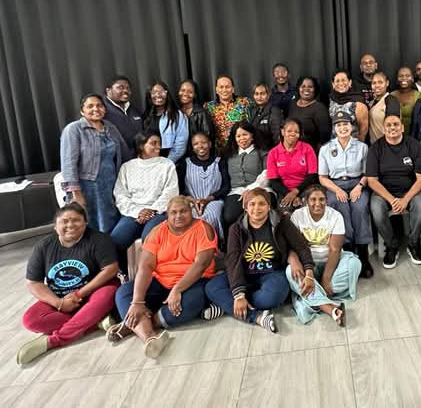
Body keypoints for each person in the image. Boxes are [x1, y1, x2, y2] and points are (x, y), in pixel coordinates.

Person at [110, 196, 217, 358]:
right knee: (124, 293)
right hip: (160, 281)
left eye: (183, 211)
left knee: (191, 303)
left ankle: (135, 325)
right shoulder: (157, 231)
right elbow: (145, 267)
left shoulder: (204, 228)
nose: (178, 216)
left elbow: (201, 265)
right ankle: (150, 338)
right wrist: (137, 301)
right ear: (167, 214)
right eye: (173, 212)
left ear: (191, 211)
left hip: (193, 281)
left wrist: (177, 289)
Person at [16, 203, 119, 365]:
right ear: (55, 226)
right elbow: (33, 282)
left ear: (85, 223)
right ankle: (95, 321)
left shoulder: (99, 239)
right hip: (61, 297)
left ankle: (54, 341)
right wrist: (59, 303)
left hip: (93, 293)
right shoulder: (43, 246)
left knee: (108, 293)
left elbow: (110, 269)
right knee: (31, 320)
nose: (70, 225)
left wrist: (79, 294)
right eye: (64, 221)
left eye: (76, 220)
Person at [203, 188, 313, 333]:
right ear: (245, 207)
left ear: (269, 206)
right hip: (244, 273)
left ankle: (227, 305)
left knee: (273, 296)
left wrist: (309, 272)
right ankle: (256, 317)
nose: (256, 208)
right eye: (252, 204)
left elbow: (301, 246)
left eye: (262, 204)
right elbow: (233, 260)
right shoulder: (236, 228)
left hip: (272, 272)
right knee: (212, 287)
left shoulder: (282, 222)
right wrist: (239, 295)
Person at [287, 186, 362, 325]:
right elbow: (293, 246)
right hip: (308, 266)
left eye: (321, 199)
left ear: (326, 201)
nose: (318, 203)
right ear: (306, 201)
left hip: (332, 263)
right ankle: (330, 308)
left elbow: (335, 249)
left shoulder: (335, 216)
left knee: (354, 264)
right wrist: (297, 264)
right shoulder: (297, 216)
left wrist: (326, 279)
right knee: (289, 272)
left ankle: (313, 296)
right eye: (313, 199)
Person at [60, 93, 130, 233]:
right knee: (88, 226)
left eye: (99, 105)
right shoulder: (74, 129)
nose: (95, 109)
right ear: (82, 111)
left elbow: (125, 153)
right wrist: (76, 194)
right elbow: (68, 164)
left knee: (110, 225)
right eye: (90, 106)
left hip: (111, 185)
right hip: (87, 188)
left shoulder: (110, 127)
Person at [366, 114, 421, 269]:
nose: (392, 127)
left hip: (410, 191)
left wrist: (405, 200)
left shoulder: (413, 145)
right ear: (383, 129)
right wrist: (392, 200)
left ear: (402, 127)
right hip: (383, 193)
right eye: (388, 125)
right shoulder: (376, 148)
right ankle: (391, 245)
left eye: (395, 124)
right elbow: (372, 180)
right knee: (376, 209)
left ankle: (413, 243)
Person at [111, 131, 179, 270]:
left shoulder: (167, 164)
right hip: (133, 213)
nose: (158, 147)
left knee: (149, 240)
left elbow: (171, 192)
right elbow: (120, 193)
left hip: (159, 212)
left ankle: (154, 275)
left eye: (159, 143)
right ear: (142, 146)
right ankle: (123, 274)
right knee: (116, 240)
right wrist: (138, 212)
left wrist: (152, 210)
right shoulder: (127, 167)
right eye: (153, 143)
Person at [318, 112, 374, 277]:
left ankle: (363, 253)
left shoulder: (362, 147)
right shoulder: (326, 149)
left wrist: (360, 186)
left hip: (358, 183)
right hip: (335, 185)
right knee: (339, 206)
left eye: (346, 124)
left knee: (360, 207)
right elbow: (322, 177)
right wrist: (337, 190)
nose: (342, 128)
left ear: (352, 126)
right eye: (338, 125)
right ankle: (348, 250)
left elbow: (368, 173)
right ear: (334, 128)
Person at [177, 131, 230, 240]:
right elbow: (180, 189)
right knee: (189, 215)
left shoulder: (219, 162)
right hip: (191, 201)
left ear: (210, 144)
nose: (200, 146)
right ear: (192, 147)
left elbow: (226, 187)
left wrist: (208, 199)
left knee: (211, 215)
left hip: (214, 200)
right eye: (196, 144)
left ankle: (210, 244)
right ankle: (190, 245)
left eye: (203, 142)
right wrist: (193, 200)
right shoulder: (185, 163)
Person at [223, 121, 272, 228]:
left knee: (261, 213)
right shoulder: (229, 155)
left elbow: (267, 172)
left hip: (261, 188)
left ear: (252, 136)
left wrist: (251, 189)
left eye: (245, 134)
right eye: (238, 136)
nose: (242, 138)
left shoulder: (262, 152)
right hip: (237, 191)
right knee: (230, 216)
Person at [267, 119, 319, 212]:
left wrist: (295, 192)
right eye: (289, 131)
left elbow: (312, 175)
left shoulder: (307, 148)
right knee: (285, 212)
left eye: (296, 132)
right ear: (283, 132)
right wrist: (290, 194)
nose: (293, 134)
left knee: (306, 210)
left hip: (306, 189)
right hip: (284, 191)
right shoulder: (273, 153)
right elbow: (274, 181)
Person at [143, 81, 189, 163]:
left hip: (171, 160)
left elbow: (181, 143)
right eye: (154, 92)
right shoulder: (146, 115)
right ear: (149, 95)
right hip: (150, 161)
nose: (158, 95)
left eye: (161, 92)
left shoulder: (177, 115)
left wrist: (167, 162)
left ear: (167, 94)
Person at [204, 75, 252, 154]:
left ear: (233, 89)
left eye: (227, 87)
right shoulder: (208, 107)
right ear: (216, 90)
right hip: (219, 152)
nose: (224, 90)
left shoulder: (244, 102)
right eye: (221, 87)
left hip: (241, 149)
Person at [288, 76, 332, 151]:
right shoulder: (293, 104)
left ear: (315, 89)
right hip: (292, 149)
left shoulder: (319, 108)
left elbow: (325, 136)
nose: (306, 89)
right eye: (303, 86)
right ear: (298, 88)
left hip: (310, 151)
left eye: (310, 87)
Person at [103, 75, 143, 150]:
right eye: (120, 87)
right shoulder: (102, 111)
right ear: (108, 91)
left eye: (128, 88)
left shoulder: (135, 110)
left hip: (138, 156)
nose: (125, 91)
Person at [329, 70, 369, 141]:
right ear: (333, 84)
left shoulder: (358, 102)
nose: (341, 83)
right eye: (337, 81)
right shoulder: (332, 99)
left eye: (343, 80)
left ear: (350, 82)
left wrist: (359, 144)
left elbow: (364, 128)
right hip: (335, 143)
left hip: (353, 143)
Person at [177, 79, 214, 153]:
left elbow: (207, 136)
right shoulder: (175, 112)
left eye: (190, 92)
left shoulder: (201, 112)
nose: (185, 94)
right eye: (183, 90)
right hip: (178, 153)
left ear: (195, 95)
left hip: (198, 153)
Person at [248, 82, 283, 152]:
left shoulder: (275, 111)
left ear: (268, 95)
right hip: (254, 151)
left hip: (269, 151)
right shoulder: (252, 111)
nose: (259, 97)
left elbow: (277, 137)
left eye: (262, 94)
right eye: (256, 94)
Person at [368, 71, 401, 143]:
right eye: (374, 83)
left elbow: (393, 127)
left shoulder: (391, 101)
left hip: (387, 145)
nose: (377, 85)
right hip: (374, 144)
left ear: (387, 83)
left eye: (380, 82)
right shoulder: (372, 101)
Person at [392, 66, 421, 135]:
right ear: (397, 79)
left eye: (407, 76)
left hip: (414, 136)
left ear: (412, 78)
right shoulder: (391, 96)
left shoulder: (419, 96)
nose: (404, 78)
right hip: (394, 135)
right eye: (401, 76)